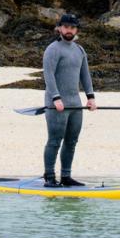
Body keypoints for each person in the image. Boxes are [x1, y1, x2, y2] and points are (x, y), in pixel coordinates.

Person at [41, 13, 96, 187]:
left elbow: (85, 75)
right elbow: (48, 75)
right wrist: (56, 98)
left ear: (76, 29)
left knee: (71, 141)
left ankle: (66, 176)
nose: (69, 30)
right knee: (55, 141)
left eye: (72, 27)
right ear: (59, 28)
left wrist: (90, 97)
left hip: (75, 104)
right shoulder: (53, 49)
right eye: (65, 27)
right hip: (56, 104)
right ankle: (49, 176)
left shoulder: (79, 50)